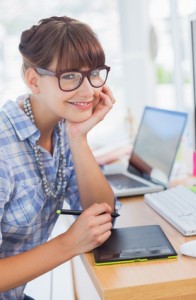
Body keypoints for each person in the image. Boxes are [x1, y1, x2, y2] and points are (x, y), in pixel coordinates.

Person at [0, 16, 119, 300]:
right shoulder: (4, 149)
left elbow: (103, 214)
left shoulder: (62, 127)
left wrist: (79, 138)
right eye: (70, 76)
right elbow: (79, 238)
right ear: (34, 81)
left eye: (94, 73)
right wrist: (69, 243)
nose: (89, 90)